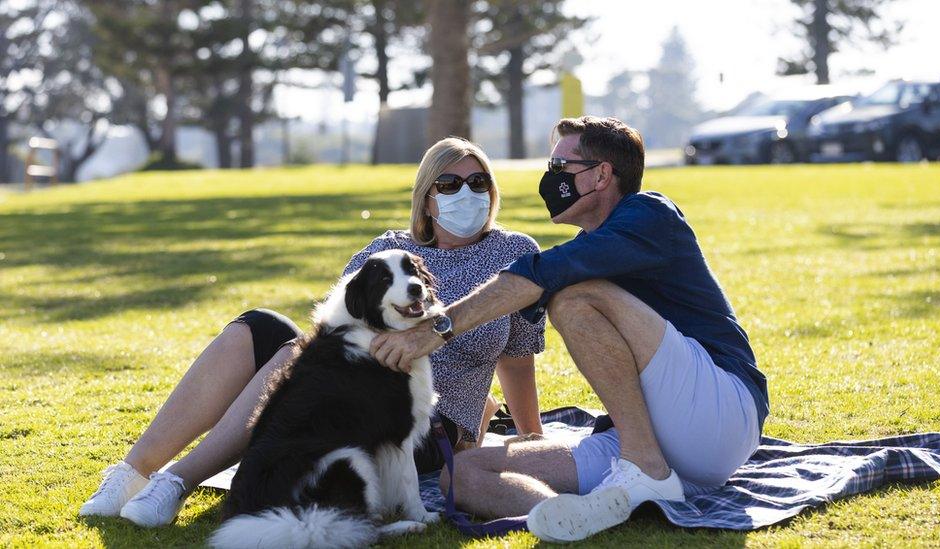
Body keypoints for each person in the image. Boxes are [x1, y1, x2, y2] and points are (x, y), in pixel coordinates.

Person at [79, 137, 546, 527]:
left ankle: (178, 481)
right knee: (261, 328)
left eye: (478, 182)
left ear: (492, 191)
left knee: (292, 360)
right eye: (449, 183)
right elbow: (330, 334)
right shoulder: (387, 248)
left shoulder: (514, 253)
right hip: (347, 395)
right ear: (427, 197)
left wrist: (532, 439)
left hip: (418, 423)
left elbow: (518, 359)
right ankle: (133, 472)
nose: (466, 192)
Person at [370, 116, 770, 542]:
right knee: (462, 475)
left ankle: (645, 469)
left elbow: (544, 273)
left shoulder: (650, 214)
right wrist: (530, 436)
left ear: (601, 175)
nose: (550, 178)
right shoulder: (593, 240)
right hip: (652, 438)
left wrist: (435, 330)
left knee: (574, 297)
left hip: (720, 410)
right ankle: (573, 513)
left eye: (561, 168)